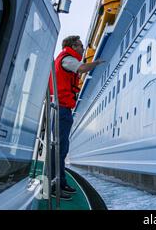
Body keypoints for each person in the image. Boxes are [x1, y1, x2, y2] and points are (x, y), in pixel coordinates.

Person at [50, 36, 104, 200]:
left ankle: (61, 182)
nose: (83, 49)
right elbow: (82, 68)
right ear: (73, 46)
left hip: (62, 108)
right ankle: (54, 185)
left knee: (62, 147)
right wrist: (97, 63)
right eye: (81, 46)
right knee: (59, 148)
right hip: (62, 109)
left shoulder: (63, 59)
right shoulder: (67, 59)